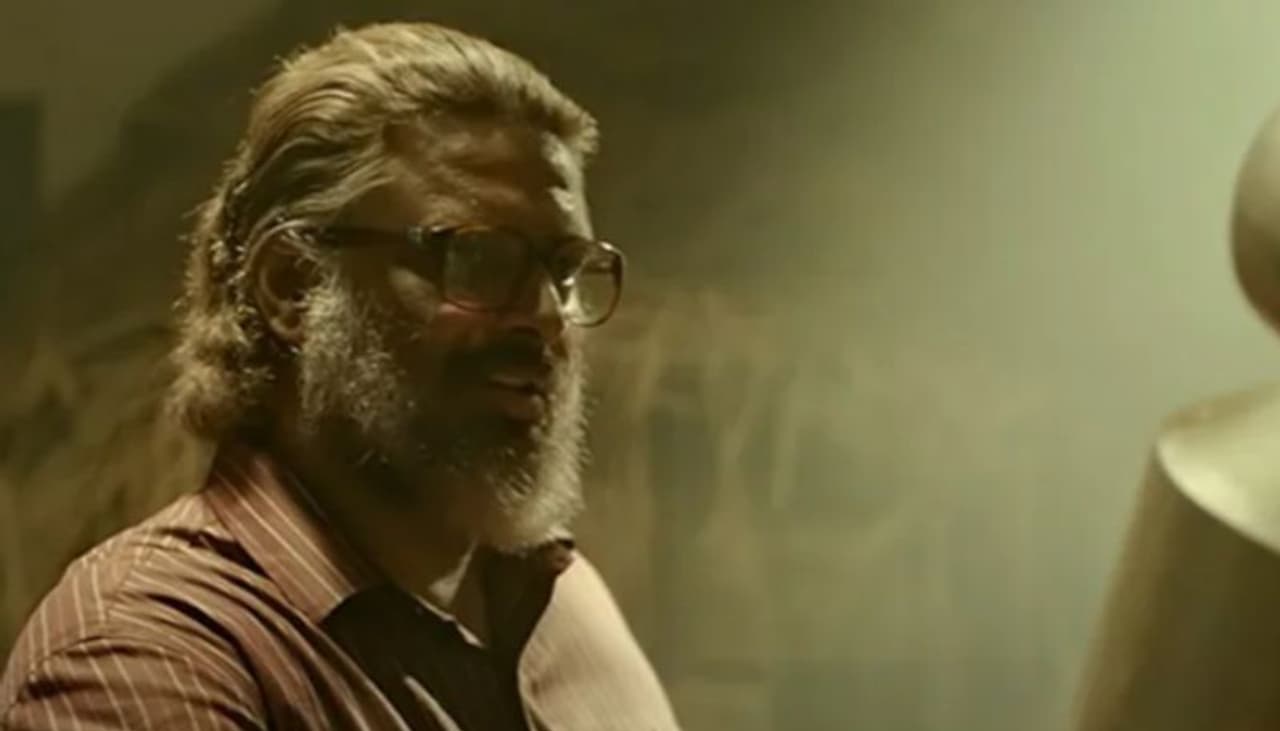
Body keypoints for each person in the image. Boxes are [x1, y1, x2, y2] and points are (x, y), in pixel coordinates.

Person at [0, 22, 679, 730]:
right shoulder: (145, 657)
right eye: (478, 258)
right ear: (292, 286)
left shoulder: (564, 605)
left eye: (564, 270)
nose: (545, 317)